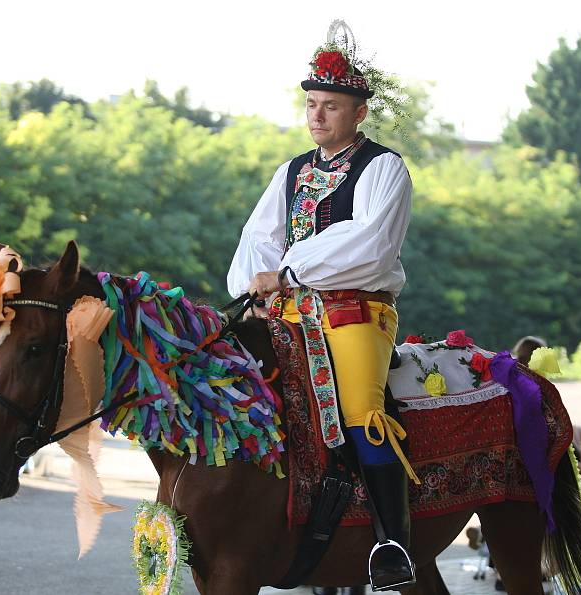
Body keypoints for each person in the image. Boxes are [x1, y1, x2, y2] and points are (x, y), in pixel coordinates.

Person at [227, 43, 416, 591]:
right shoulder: (290, 172)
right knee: (238, 394)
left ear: (358, 111)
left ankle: (392, 544)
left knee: (361, 411)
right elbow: (257, 239)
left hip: (354, 313)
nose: (316, 114)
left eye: (330, 105)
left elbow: (372, 244)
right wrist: (253, 286)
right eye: (311, 103)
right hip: (285, 312)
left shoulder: (383, 167)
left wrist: (287, 270)